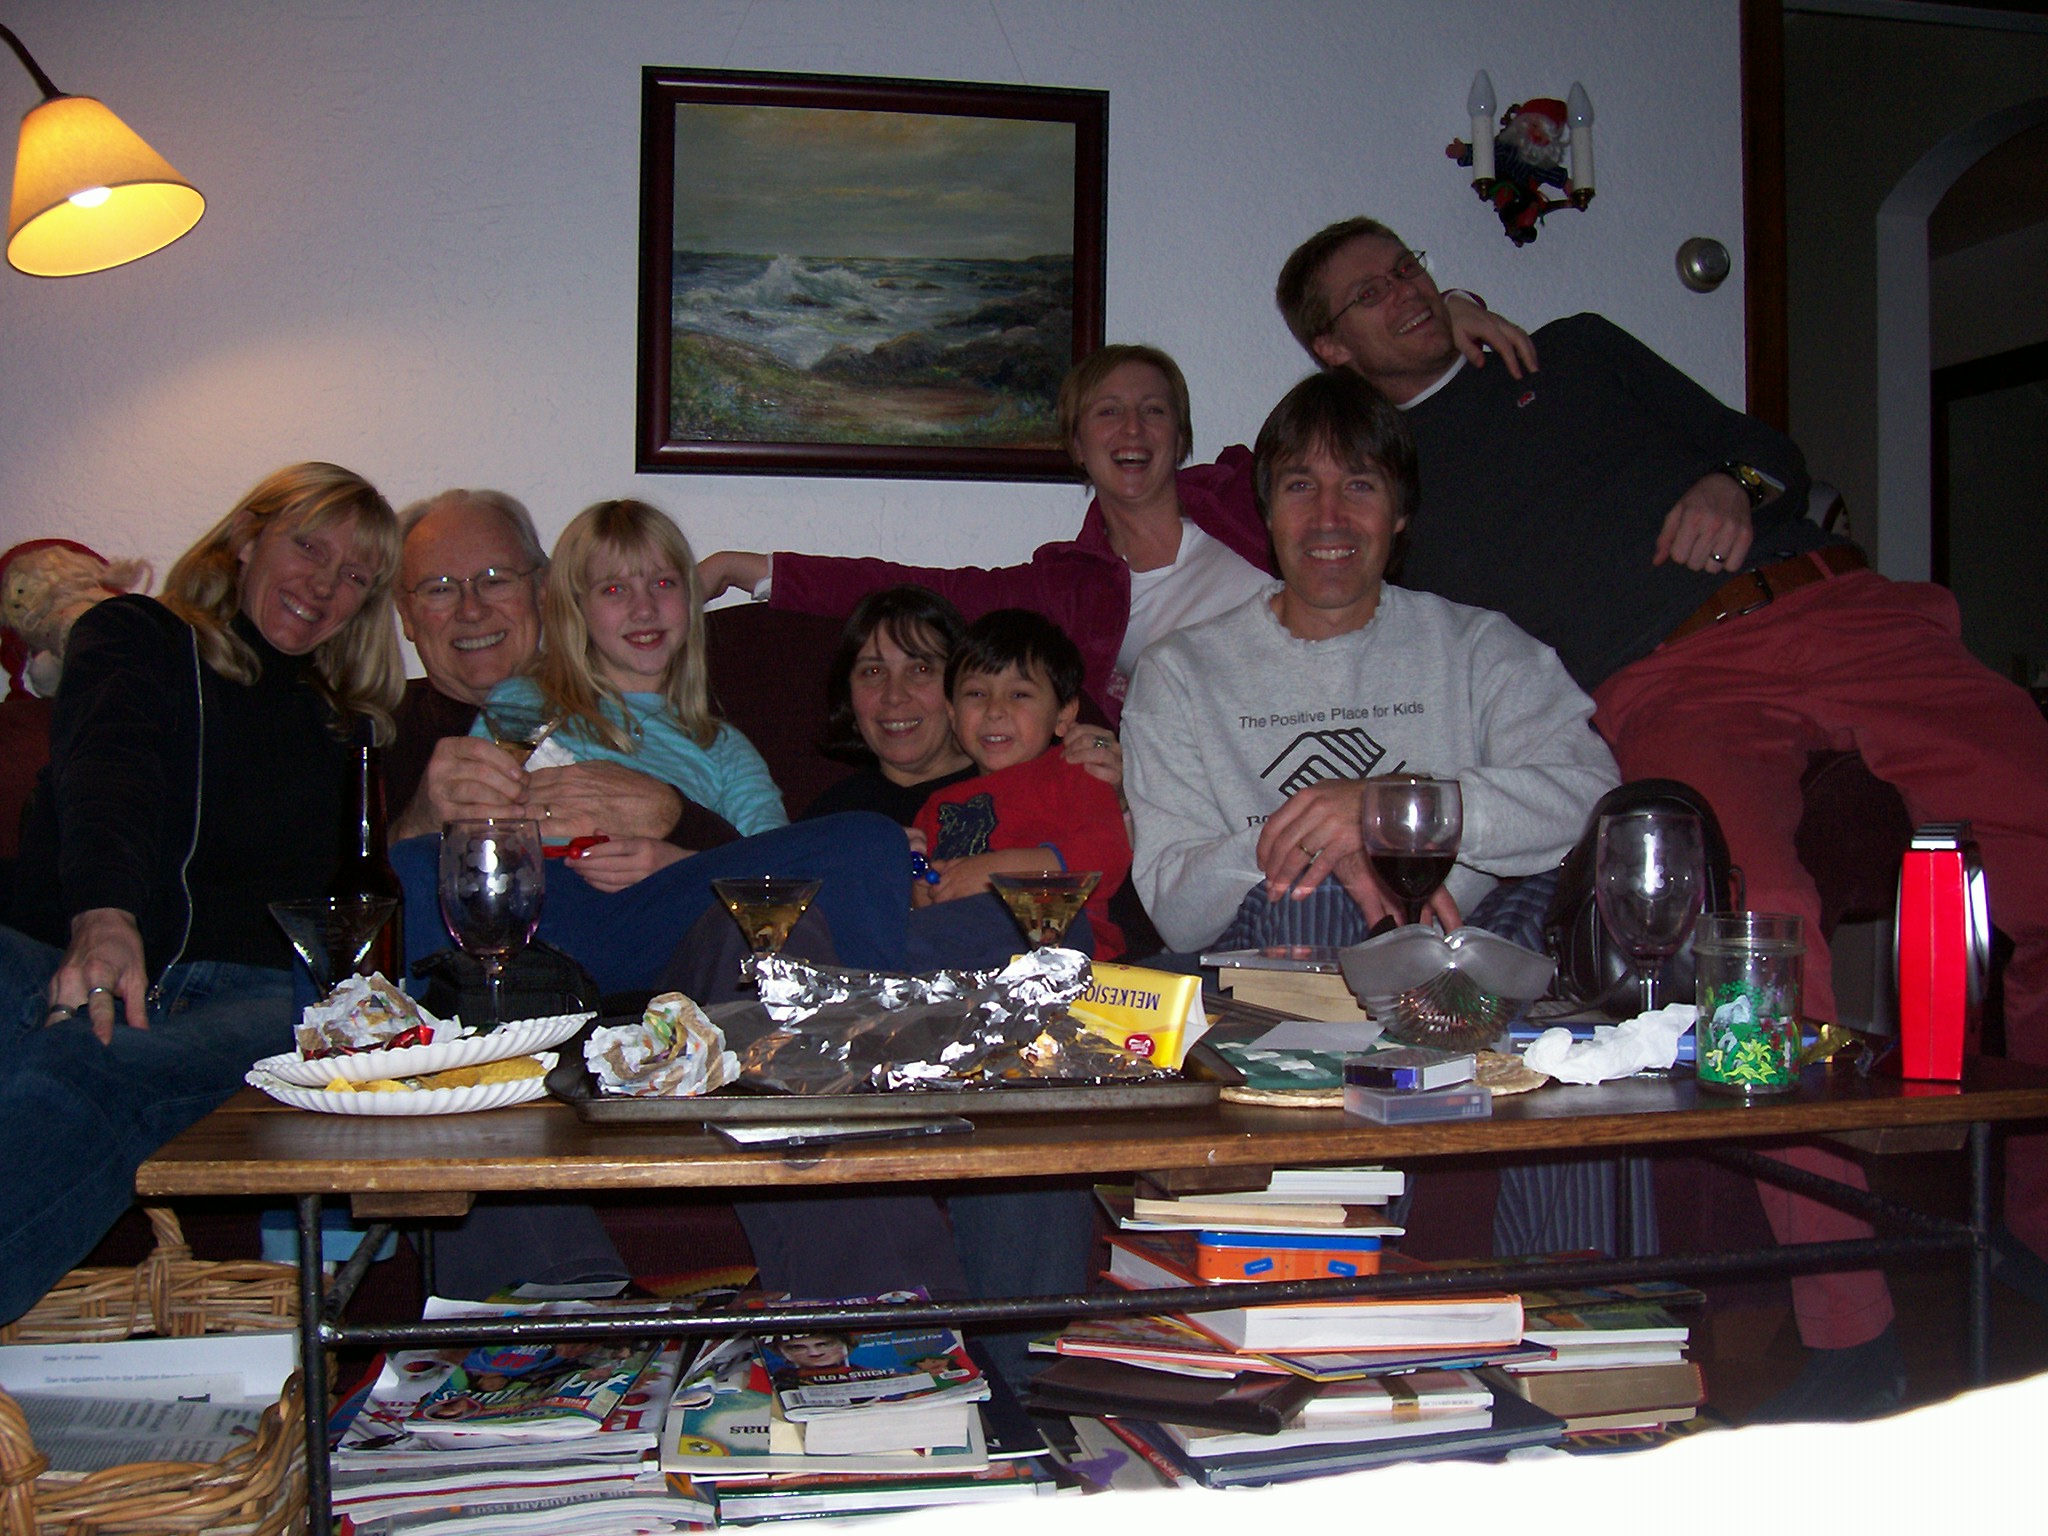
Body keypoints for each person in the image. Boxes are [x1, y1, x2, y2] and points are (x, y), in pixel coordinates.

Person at [1272, 214, 2048, 1416]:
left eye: (1408, 271)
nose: (1406, 295)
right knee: (1752, 937)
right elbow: (1275, 513)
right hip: (1670, 683)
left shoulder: (1569, 350)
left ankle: (2033, 1234)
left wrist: (1726, 488)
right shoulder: (1387, 480)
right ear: (1330, 347)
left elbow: (1764, 451)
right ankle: (1850, 1328)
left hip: (1833, 608)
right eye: (1367, 296)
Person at [0, 462, 404, 1322]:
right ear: (246, 538)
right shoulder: (136, 635)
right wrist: (104, 915)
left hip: (259, 995)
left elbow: (374, 896)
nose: (323, 586)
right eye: (308, 548)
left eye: (355, 577)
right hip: (68, 947)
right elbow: (108, 769)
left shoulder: (353, 728)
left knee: (86, 1065)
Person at [696, 324, 1531, 731]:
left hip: (1371, 714)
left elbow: (1368, 449)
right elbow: (918, 589)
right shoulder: (1066, 585)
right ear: (1076, 444)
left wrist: (1450, 318)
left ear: (1181, 435)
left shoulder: (1256, 492)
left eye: (1153, 410)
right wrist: (751, 567)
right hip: (1227, 775)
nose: (1132, 429)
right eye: (1108, 412)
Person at [1122, 371, 1617, 959]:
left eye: (1359, 485)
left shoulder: (1480, 648)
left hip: (1464, 954)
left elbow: (1593, 800)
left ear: (1399, 511)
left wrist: (1389, 813)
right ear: (1269, 512)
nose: (1328, 516)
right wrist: (1318, 841)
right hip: (1276, 962)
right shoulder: (1178, 673)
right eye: (1300, 486)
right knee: (1313, 898)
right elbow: (1178, 915)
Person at [388, 489, 737, 851]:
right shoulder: (374, 738)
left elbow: (763, 863)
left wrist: (675, 818)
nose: (472, 611)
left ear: (544, 591)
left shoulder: (680, 715)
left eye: (496, 580)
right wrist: (419, 825)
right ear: (406, 614)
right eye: (439, 590)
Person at [470, 498, 785, 884]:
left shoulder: (724, 749)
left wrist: (678, 866)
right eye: (614, 589)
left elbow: (778, 874)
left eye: (663, 583)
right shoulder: (523, 704)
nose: (644, 609)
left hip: (670, 910)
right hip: (543, 899)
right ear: (576, 606)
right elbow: (473, 837)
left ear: (689, 597)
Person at [911, 608, 1131, 959]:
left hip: (1057, 939)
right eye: (976, 694)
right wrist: (925, 887)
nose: (995, 710)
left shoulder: (1076, 770)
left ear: (1063, 714)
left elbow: (1107, 854)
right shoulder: (938, 804)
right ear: (952, 713)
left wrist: (996, 872)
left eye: (1019, 695)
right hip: (960, 950)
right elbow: (926, 896)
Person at [800, 586, 975, 824]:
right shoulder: (830, 821)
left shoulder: (1014, 794)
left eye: (920, 669)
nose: (894, 695)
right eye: (873, 671)